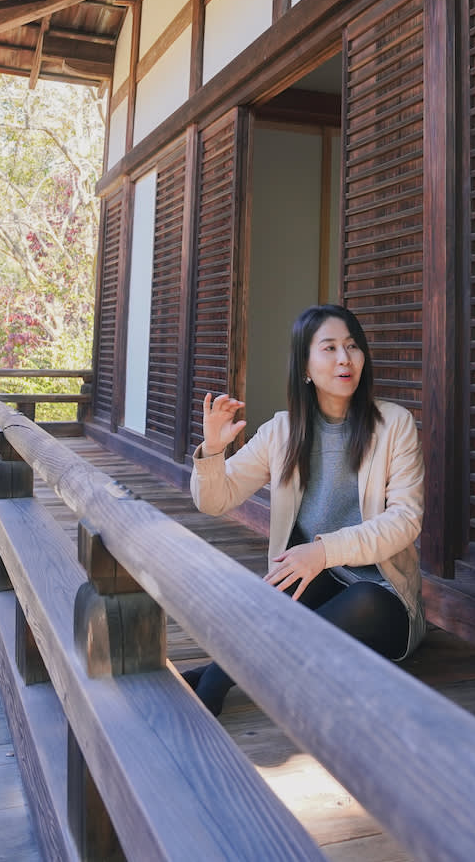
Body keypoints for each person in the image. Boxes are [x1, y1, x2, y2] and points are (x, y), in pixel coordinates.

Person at [183, 304, 424, 715]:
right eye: (329, 348)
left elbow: (405, 520)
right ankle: (217, 675)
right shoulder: (282, 431)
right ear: (306, 367)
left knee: (362, 597)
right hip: (317, 584)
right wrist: (213, 451)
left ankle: (214, 679)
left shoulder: (394, 424)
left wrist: (324, 551)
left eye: (352, 346)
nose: (345, 358)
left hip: (383, 600)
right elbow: (214, 500)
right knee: (286, 585)